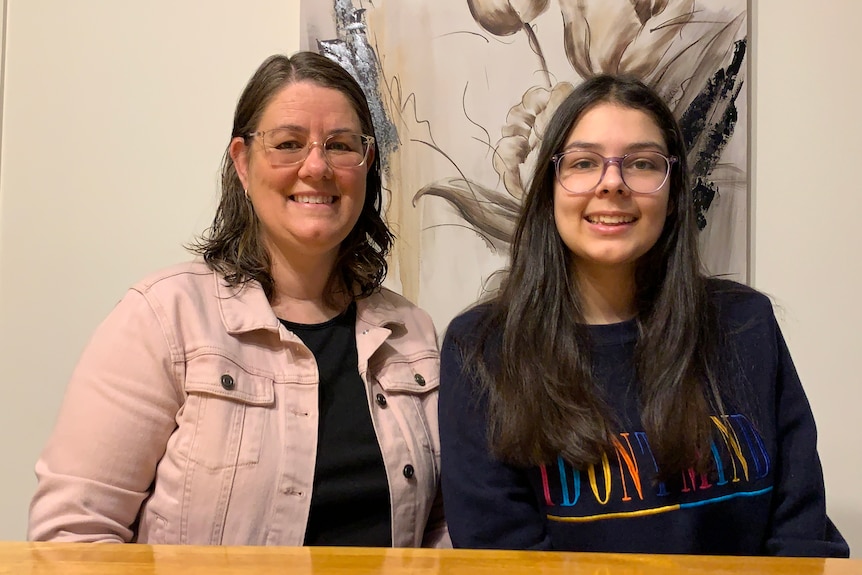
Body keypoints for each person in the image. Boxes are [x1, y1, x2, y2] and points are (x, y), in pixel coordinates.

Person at [28, 52, 448, 548]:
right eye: (289, 144)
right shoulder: (165, 317)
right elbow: (72, 536)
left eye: (340, 146)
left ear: (366, 163)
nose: (316, 166)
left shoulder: (411, 333)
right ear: (243, 163)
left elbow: (441, 534)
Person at [439, 74, 849, 557]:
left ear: (673, 194)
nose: (612, 182)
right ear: (550, 192)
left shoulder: (746, 324)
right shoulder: (482, 349)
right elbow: (502, 556)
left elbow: (801, 533)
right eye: (585, 162)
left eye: (641, 163)